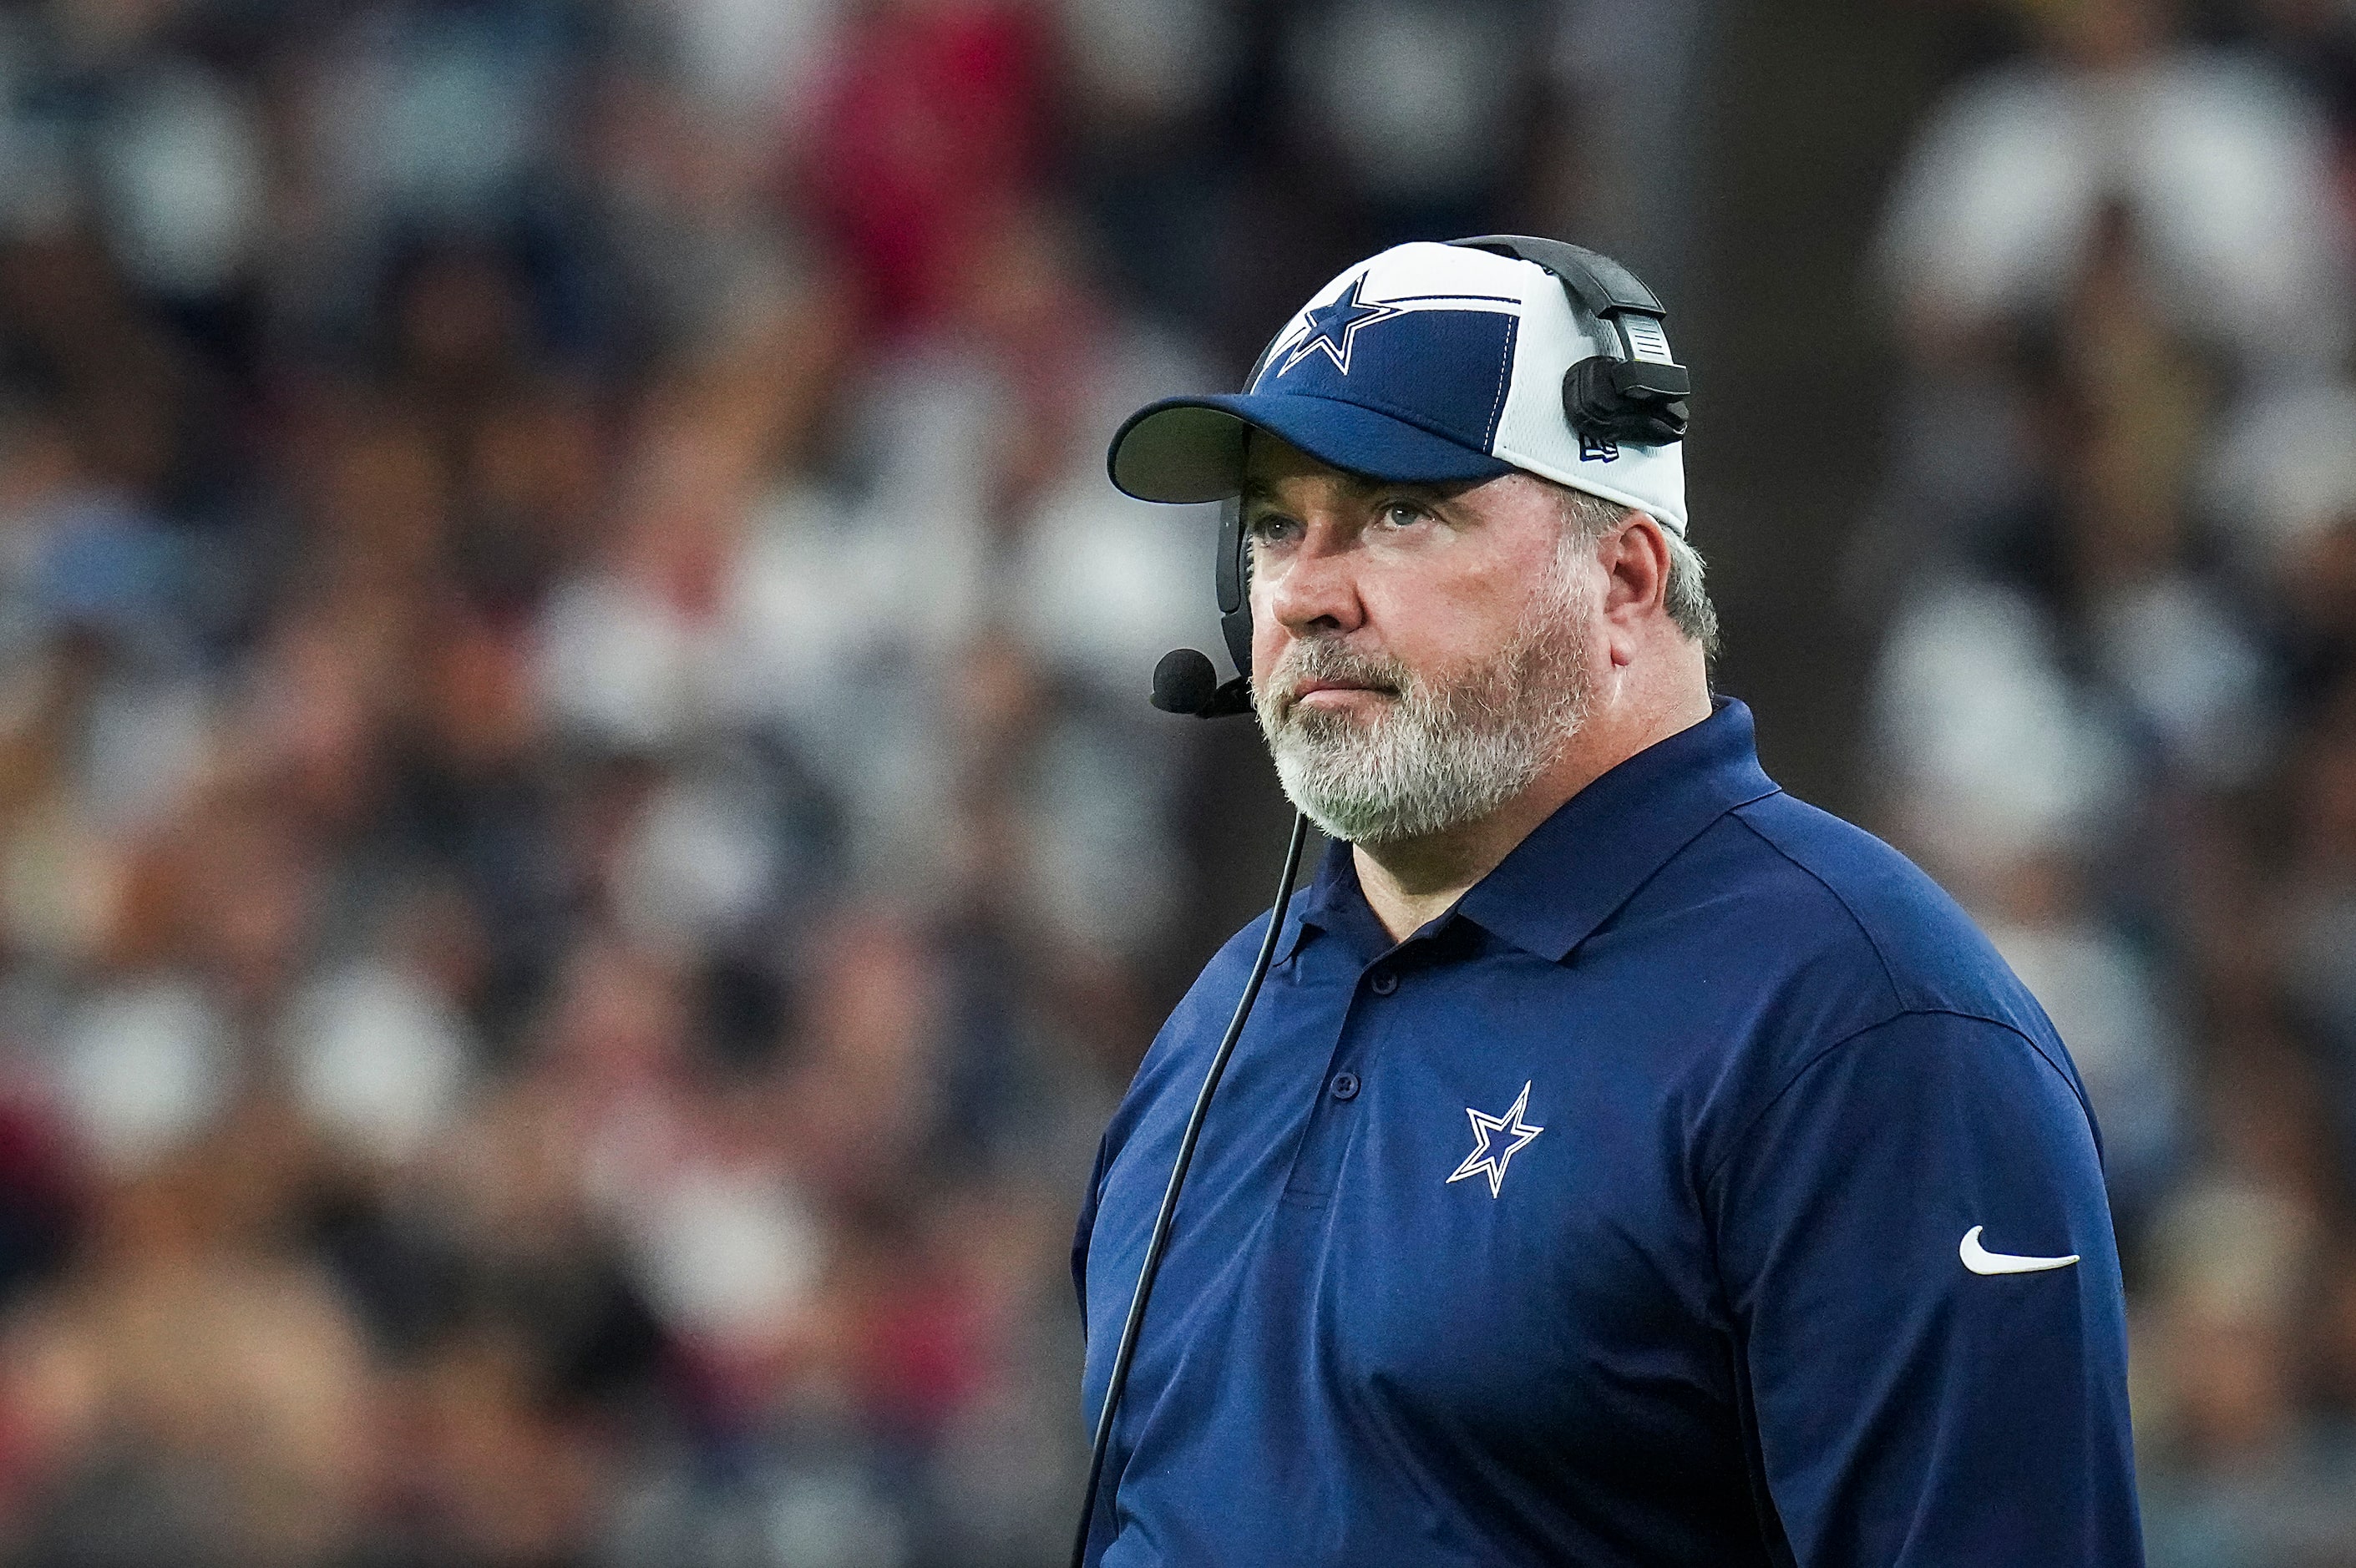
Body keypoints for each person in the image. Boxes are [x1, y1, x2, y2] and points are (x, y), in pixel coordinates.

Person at [1070, 238, 2144, 1565]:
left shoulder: (1865, 1027)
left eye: (1400, 510)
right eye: (1279, 523)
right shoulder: (1220, 1024)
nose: (1302, 589)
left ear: (1625, 580)